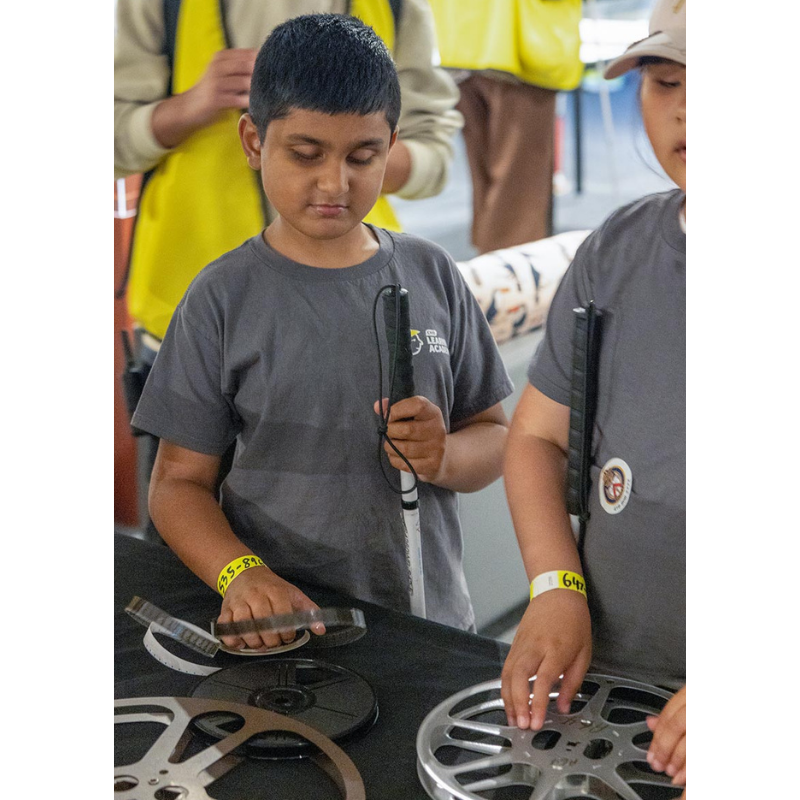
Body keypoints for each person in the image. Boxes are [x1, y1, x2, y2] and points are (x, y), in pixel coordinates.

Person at [130, 15, 513, 650]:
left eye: (362, 156)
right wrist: (241, 575)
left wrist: (444, 456)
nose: (334, 182)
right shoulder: (221, 298)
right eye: (305, 154)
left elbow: (494, 435)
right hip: (281, 633)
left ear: (391, 145)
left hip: (430, 626)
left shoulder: (432, 274)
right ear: (253, 141)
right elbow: (176, 485)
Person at [499, 0, 686, 794]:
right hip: (607, 691)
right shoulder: (616, 250)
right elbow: (536, 439)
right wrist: (556, 584)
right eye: (664, 80)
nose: (683, 108)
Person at [428, 0, 583, 253]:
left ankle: (488, 276)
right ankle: (506, 282)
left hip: (460, 38)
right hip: (517, 45)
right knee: (517, 198)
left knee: (489, 188)